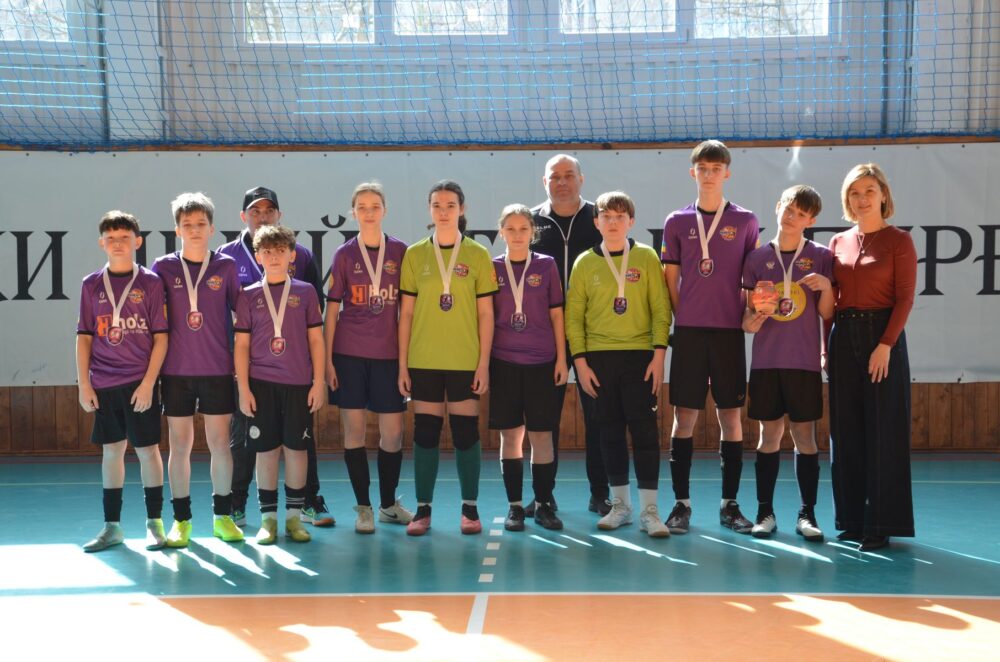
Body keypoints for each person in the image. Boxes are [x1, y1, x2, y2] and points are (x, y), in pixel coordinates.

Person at [660, 139, 760, 535]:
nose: (709, 174)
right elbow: (670, 278)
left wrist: (748, 314)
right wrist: (683, 315)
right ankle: (681, 505)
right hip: (689, 333)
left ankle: (729, 505)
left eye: (716, 168)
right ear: (693, 172)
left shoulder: (746, 220)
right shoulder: (676, 221)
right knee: (683, 417)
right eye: (703, 168)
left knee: (730, 416)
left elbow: (752, 278)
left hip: (728, 332)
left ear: (727, 173)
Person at [219, 186, 333, 529]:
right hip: (249, 369)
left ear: (279, 215)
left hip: (294, 369)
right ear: (243, 217)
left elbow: (314, 311)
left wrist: (315, 376)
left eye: (269, 210)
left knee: (301, 441)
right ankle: (238, 504)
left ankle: (309, 502)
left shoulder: (303, 256)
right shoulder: (225, 257)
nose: (263, 216)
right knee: (244, 438)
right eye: (255, 211)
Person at [566, 191, 671, 537]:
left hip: (640, 357)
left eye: (620, 217)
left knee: (644, 433)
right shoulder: (584, 262)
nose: (613, 223)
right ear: (596, 222)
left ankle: (650, 511)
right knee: (608, 433)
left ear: (631, 221)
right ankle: (621, 506)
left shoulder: (646, 257)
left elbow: (661, 309)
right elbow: (573, 318)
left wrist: (659, 355)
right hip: (598, 359)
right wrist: (580, 363)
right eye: (606, 217)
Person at [398, 180, 497, 536]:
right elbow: (406, 314)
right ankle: (422, 510)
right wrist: (402, 364)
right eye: (437, 205)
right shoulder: (414, 254)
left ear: (462, 209)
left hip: (464, 359)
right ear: (429, 209)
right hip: (423, 358)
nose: (443, 212)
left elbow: (486, 314)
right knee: (425, 433)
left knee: (465, 433)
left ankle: (470, 509)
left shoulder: (478, 254)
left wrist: (483, 363)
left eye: (450, 205)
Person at [827, 164, 917, 552]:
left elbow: (905, 298)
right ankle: (851, 520)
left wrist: (886, 344)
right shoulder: (837, 242)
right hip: (843, 335)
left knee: (883, 431)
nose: (861, 199)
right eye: (854, 192)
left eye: (868, 191)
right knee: (845, 431)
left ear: (883, 195)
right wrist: (824, 346)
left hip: (882, 339)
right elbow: (831, 303)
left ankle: (881, 523)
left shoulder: (899, 241)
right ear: (847, 199)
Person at [741, 185, 834, 542]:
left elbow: (827, 312)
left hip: (804, 362)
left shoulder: (821, 257)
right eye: (789, 209)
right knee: (768, 435)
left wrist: (826, 287)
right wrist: (750, 322)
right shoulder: (756, 258)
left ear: (811, 220)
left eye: (801, 213)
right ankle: (764, 512)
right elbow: (747, 317)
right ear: (778, 206)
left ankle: (807, 515)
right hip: (767, 362)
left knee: (804, 436)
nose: (792, 217)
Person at [151, 193, 244, 547]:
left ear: (212, 228)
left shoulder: (226, 266)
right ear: (176, 230)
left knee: (221, 444)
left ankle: (223, 517)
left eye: (200, 224)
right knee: (179, 446)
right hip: (176, 372)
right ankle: (182, 521)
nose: (194, 230)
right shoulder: (162, 267)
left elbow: (243, 317)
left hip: (217, 369)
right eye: (187, 224)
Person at [77, 211, 169, 552]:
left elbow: (161, 337)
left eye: (125, 238)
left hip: (139, 382)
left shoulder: (151, 283)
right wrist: (84, 384)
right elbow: (84, 337)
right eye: (111, 238)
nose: (118, 244)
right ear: (102, 243)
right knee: (112, 450)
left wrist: (148, 383)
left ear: (137, 242)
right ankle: (112, 527)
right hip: (104, 382)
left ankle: (154, 523)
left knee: (147, 450)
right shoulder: (90, 284)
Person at [325, 182, 413, 533]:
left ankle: (388, 504)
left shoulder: (401, 251)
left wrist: (405, 363)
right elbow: (332, 312)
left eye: (375, 206)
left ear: (385, 210)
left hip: (388, 356)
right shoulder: (344, 254)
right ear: (353, 213)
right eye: (362, 206)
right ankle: (364, 508)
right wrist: (328, 361)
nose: (369, 212)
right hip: (349, 354)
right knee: (355, 431)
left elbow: (408, 311)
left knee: (393, 433)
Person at [234, 225, 325, 544]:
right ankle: (268, 520)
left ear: (292, 256)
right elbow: (241, 346)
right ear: (258, 256)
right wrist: (243, 388)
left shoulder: (306, 292)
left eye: (280, 251)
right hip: (261, 385)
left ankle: (294, 519)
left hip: (299, 384)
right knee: (266, 452)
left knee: (297, 451)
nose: (274, 257)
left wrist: (318, 382)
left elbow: (316, 340)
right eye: (267, 252)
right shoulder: (247, 295)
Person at [531, 154, 610, 516]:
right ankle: (543, 495)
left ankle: (601, 493)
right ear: (544, 182)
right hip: (544, 334)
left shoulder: (599, 218)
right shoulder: (530, 221)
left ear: (581, 179)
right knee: (544, 418)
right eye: (554, 176)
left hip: (593, 332)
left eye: (568, 175)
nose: (561, 182)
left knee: (598, 416)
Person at [490, 204, 567, 532]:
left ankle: (544, 504)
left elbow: (557, 315)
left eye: (523, 228)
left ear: (532, 232)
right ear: (501, 232)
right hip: (503, 361)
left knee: (542, 436)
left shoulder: (547, 265)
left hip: (542, 362)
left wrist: (561, 359)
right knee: (510, 436)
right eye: (511, 228)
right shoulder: (492, 268)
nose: (517, 234)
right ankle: (515, 507)